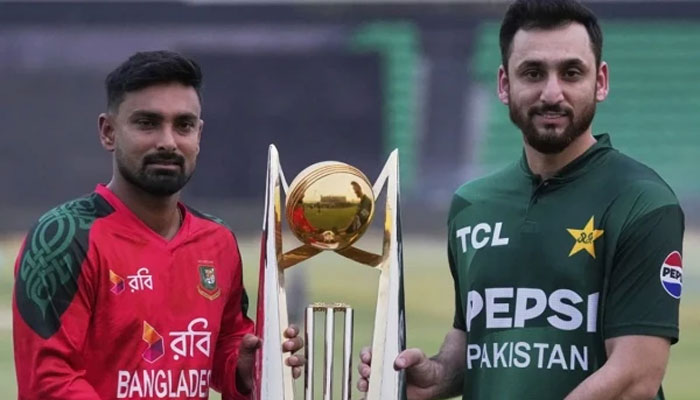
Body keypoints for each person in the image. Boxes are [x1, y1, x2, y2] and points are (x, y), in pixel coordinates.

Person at [357, 1, 684, 399]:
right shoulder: (472, 205)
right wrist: (437, 375)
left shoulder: (642, 202)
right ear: (504, 84)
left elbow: (636, 377)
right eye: (533, 73)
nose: (552, 93)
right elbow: (478, 337)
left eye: (571, 73)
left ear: (600, 82)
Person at [12, 50, 305, 399]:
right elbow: (49, 383)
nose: (168, 141)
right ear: (108, 132)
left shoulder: (218, 241)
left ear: (199, 135)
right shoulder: (63, 238)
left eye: (183, 125)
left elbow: (225, 348)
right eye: (147, 123)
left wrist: (245, 369)